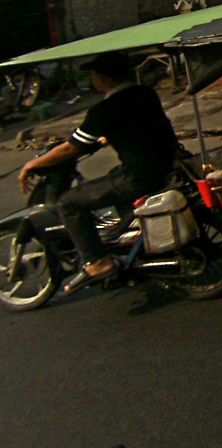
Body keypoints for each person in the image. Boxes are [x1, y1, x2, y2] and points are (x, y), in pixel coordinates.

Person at [19, 51, 178, 294]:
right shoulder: (144, 93)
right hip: (167, 163)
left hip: (139, 175)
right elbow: (135, 126)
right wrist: (105, 138)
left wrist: (31, 165)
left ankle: (96, 262)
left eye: (93, 75)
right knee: (114, 174)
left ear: (102, 78)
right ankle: (131, 236)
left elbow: (70, 148)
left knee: (68, 203)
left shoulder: (105, 109)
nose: (92, 79)